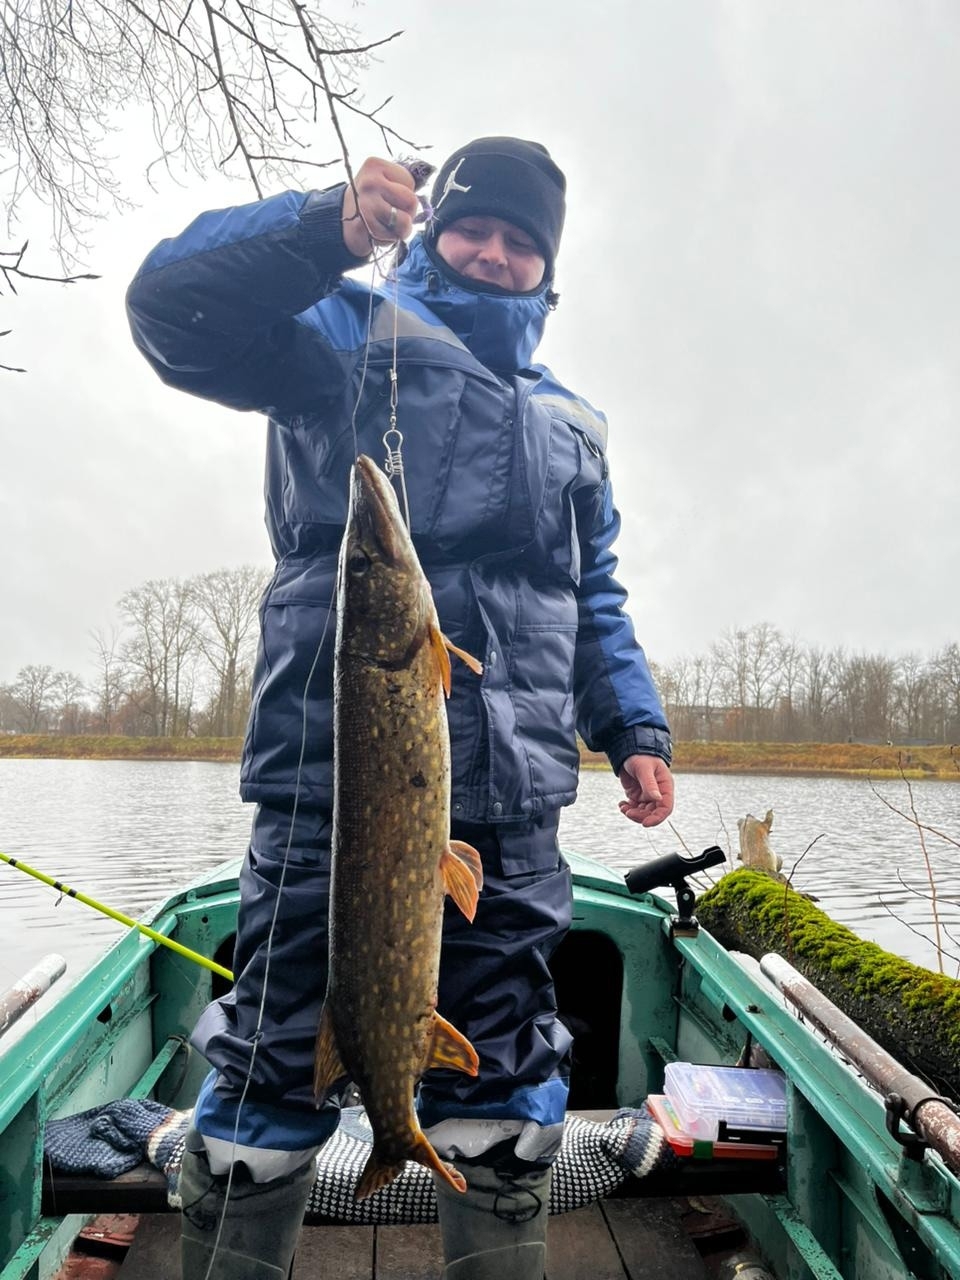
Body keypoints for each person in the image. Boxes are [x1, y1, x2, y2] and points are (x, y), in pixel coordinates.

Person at [126, 136, 674, 1280]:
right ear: (432, 230)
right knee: (269, 1072)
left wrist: (632, 727)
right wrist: (321, 226)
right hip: (336, 792)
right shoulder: (342, 333)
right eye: (474, 227)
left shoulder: (574, 421)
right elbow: (173, 309)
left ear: (549, 268)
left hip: (514, 808)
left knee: (505, 1083)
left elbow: (593, 593)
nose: (493, 251)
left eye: (521, 240)